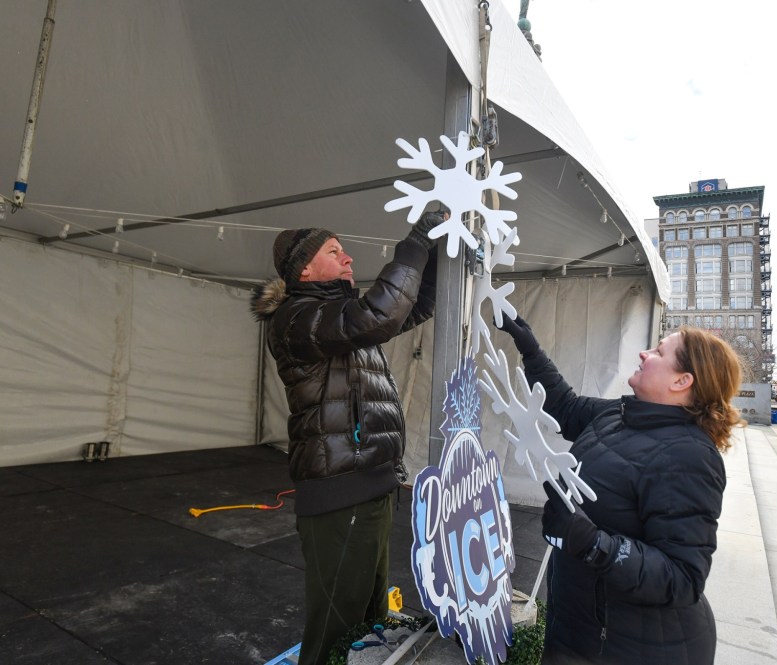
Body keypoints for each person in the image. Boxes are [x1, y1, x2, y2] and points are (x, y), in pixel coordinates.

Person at [250, 211, 444, 665]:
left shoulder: (338, 317)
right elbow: (380, 314)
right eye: (334, 251)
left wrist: (436, 254)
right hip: (341, 491)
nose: (348, 258)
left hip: (371, 483)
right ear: (304, 270)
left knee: (368, 625)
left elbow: (413, 306)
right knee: (336, 629)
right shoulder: (297, 318)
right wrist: (415, 243)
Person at [497, 318, 743, 665]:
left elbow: (683, 578)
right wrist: (531, 350)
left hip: (632, 647)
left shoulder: (689, 457)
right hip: (580, 627)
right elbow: (566, 407)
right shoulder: (620, 414)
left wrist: (593, 544)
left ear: (681, 381)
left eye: (659, 352)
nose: (644, 354)